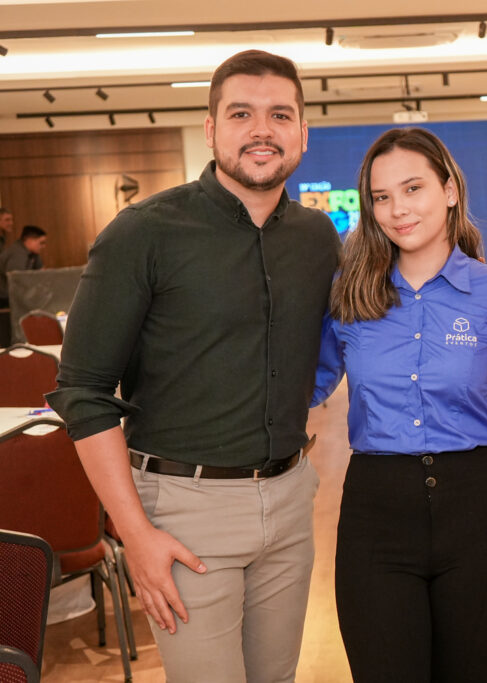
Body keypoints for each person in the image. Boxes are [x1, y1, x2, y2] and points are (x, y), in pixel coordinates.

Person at [47, 50, 340, 682]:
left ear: (302, 133)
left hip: (291, 501)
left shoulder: (318, 240)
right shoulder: (143, 233)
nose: (262, 130)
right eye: (242, 113)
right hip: (183, 511)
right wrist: (135, 533)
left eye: (280, 115)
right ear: (211, 129)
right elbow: (83, 391)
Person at [312, 127, 487, 683]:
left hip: (475, 512)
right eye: (381, 197)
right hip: (375, 514)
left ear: (451, 189)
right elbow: (302, 387)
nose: (396, 210)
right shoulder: (347, 293)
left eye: (412, 189)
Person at [0, 224, 46, 306]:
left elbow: (42, 273)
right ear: (29, 240)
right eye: (41, 243)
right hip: (5, 298)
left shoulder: (33, 253)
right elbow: (17, 281)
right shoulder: (17, 254)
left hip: (17, 296)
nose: (43, 246)